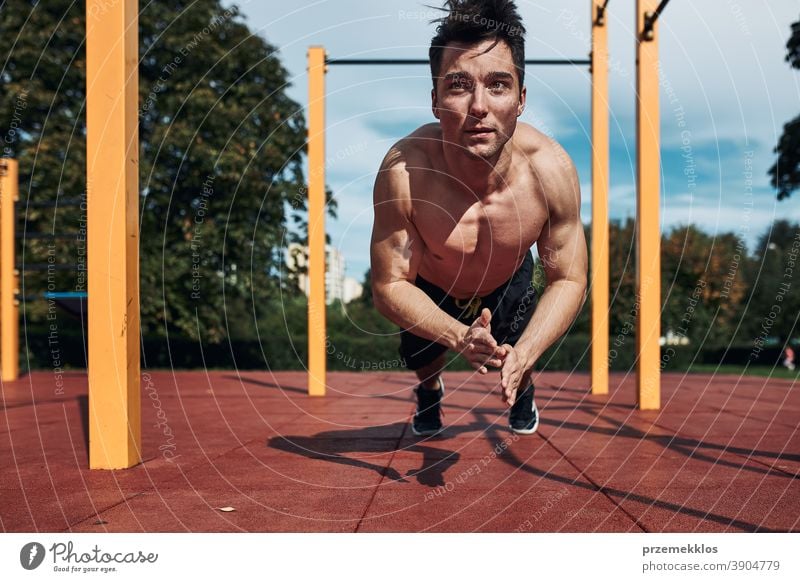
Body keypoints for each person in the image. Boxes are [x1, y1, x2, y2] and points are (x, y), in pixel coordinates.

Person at [370, 0, 588, 436]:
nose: (479, 106)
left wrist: (525, 353)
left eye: (498, 85)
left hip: (508, 277)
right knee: (422, 361)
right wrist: (458, 336)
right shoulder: (403, 172)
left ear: (521, 99)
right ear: (434, 100)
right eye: (458, 86)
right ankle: (430, 389)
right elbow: (389, 284)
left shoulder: (551, 170)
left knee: (517, 351)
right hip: (431, 282)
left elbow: (569, 278)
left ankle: (521, 384)